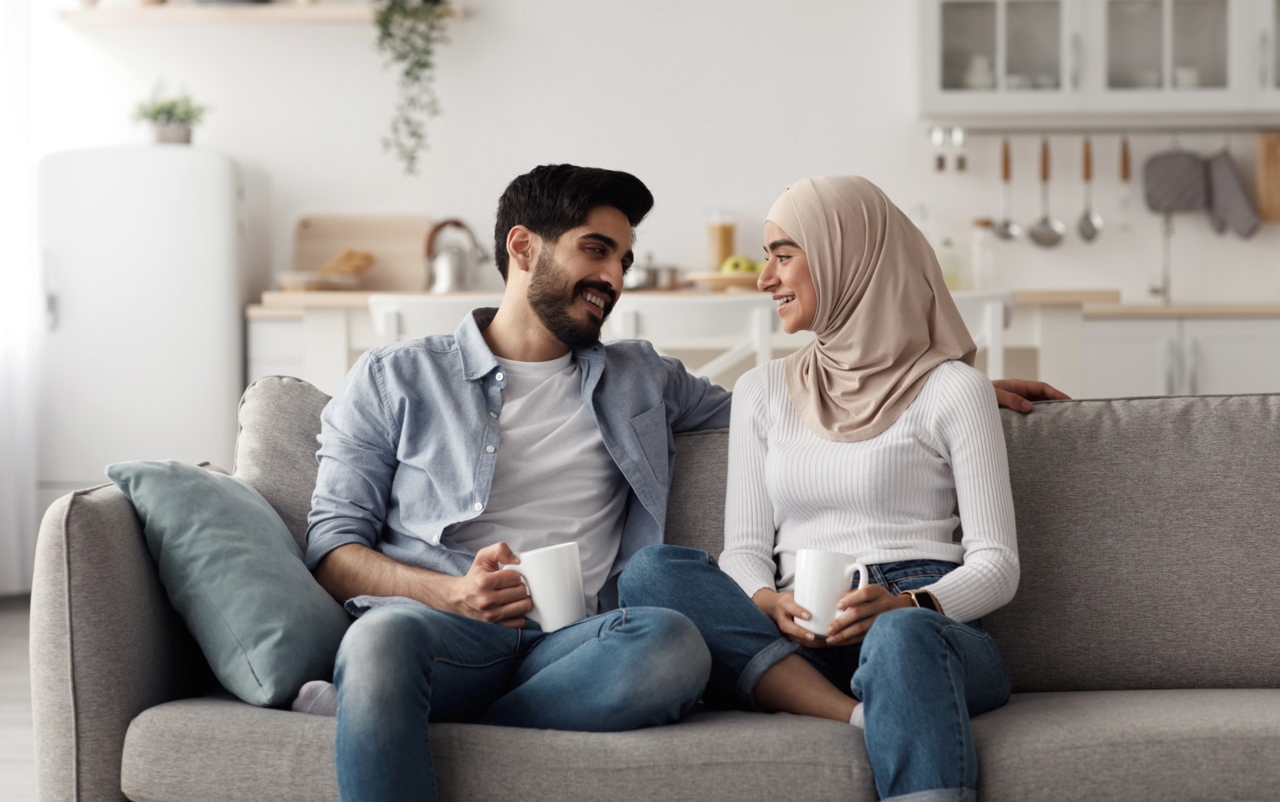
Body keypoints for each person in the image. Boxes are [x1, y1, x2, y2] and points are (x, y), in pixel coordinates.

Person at [298, 164, 1062, 800]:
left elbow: (817, 414)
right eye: (597, 251)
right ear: (522, 247)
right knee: (378, 641)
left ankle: (390, 715)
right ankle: (386, 692)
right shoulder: (395, 376)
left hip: (577, 646)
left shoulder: (642, 378)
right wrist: (450, 593)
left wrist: (934, 379)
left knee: (670, 639)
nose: (613, 278)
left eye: (624, 260)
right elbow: (331, 546)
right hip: (442, 629)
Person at [620, 175, 1023, 801]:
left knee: (897, 640)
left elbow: (998, 566)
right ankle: (850, 710)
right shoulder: (762, 390)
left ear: (849, 258)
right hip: (798, 630)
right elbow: (746, 547)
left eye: (783, 256)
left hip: (923, 625)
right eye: (766, 258)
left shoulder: (954, 391)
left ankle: (881, 697)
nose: (764, 278)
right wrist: (763, 600)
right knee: (650, 574)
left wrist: (910, 606)